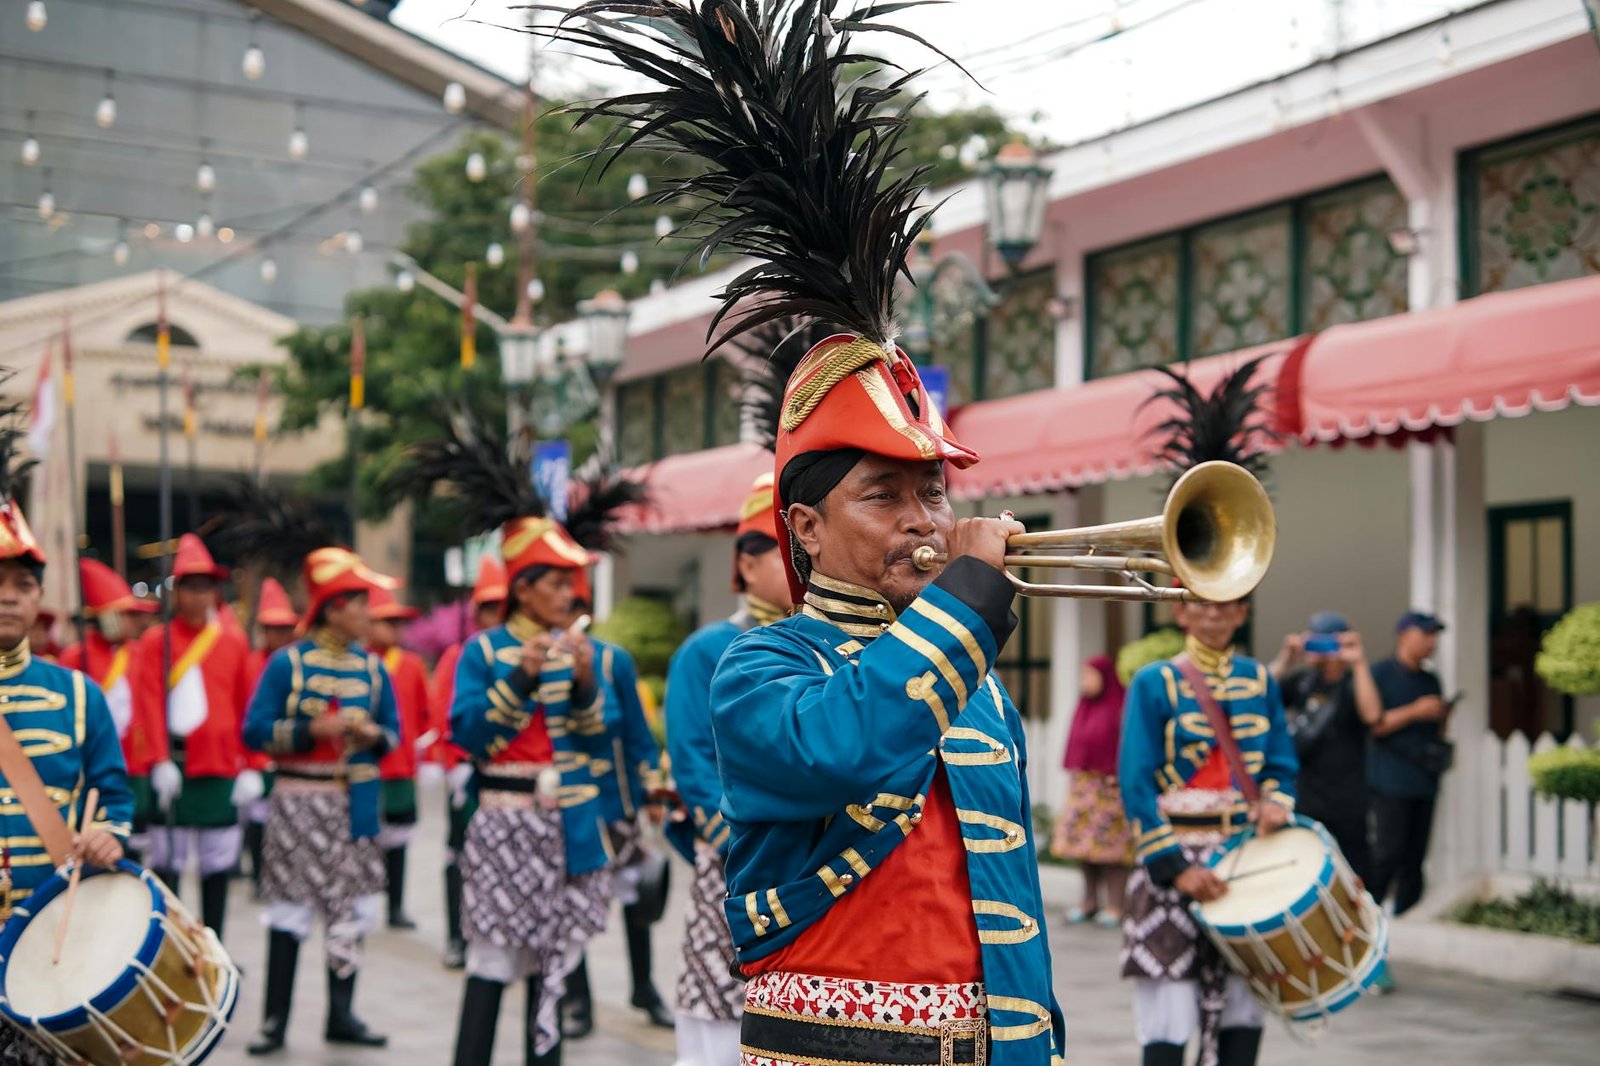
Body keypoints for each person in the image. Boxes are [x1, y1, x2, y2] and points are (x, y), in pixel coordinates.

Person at [1120, 596, 1298, 1066]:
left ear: (1242, 614)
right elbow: (1135, 782)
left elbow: (1281, 763)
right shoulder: (1154, 682)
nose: (1215, 615)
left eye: (1230, 606)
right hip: (1172, 856)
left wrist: (1277, 802)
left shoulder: (1259, 680)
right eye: (1202, 604)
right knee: (1169, 1003)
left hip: (1243, 857)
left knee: (1245, 998)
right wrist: (1175, 869)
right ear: (1181, 613)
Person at [0, 459, 134, 1066]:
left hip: (46, 922)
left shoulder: (81, 695)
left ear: (39, 597)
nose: (8, 596)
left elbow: (114, 792)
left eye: (22, 585)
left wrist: (107, 832)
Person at [241, 546, 401, 1055]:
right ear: (333, 606)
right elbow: (254, 731)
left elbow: (395, 736)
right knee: (289, 914)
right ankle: (275, 1020)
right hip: (297, 802)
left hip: (354, 803)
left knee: (349, 913)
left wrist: (372, 734)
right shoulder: (287, 663)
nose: (367, 613)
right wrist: (313, 730)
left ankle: (342, 1014)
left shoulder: (374, 671)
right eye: (358, 603)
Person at [664, 472, 790, 1066]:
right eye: (782, 547)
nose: (800, 559)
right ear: (745, 562)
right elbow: (691, 761)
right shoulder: (708, 648)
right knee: (721, 995)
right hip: (737, 854)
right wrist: (737, 842)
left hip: (808, 856)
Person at [560, 561, 673, 1035]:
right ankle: (578, 1000)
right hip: (570, 807)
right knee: (572, 906)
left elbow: (637, 732)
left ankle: (643, 987)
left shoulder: (614, 661)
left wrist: (651, 790)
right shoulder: (535, 660)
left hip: (618, 800)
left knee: (636, 900)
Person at [133, 533, 258, 942]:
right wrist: (157, 759)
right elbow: (147, 703)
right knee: (168, 864)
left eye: (206, 586)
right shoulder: (156, 642)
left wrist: (252, 765)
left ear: (215, 591)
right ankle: (170, 948)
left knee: (217, 864)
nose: (198, 595)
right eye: (189, 586)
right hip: (176, 764)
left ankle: (213, 946)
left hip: (220, 764)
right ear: (177, 591)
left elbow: (247, 705)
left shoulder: (234, 641)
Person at [429, 556, 507, 970]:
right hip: (467, 773)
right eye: (489, 607)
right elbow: (446, 715)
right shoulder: (461, 656)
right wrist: (454, 764)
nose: (496, 615)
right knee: (457, 855)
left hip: (508, 780)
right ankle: (456, 936)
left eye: (502, 606)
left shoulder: (516, 652)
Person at [58, 558, 162, 862]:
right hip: (90, 763)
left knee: (136, 835)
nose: (133, 623)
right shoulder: (75, 657)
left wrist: (159, 757)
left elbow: (150, 707)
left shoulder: (140, 653)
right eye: (126, 615)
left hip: (135, 759)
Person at [1269, 611, 1382, 880]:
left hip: (1348, 802)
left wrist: (1359, 662)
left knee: (1354, 876)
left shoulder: (1355, 684)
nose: (1323, 652)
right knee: (1305, 873)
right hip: (1306, 798)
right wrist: (1286, 658)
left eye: (1329, 644)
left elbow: (1373, 715)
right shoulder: (1302, 682)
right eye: (1316, 643)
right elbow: (1258, 693)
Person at [1367, 610, 1452, 918]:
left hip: (1424, 777)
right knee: (1387, 853)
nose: (1432, 642)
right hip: (1390, 779)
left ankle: (1409, 918)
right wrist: (1415, 711)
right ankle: (1369, 913)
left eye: (1435, 636)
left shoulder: (1431, 679)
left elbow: (1436, 730)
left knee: (1415, 858)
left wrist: (1441, 717)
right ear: (1404, 635)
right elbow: (1374, 724)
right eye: (1426, 634)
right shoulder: (1380, 674)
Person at [364, 584, 429, 930]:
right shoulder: (359, 662)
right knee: (366, 838)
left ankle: (396, 905)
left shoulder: (412, 664)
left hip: (401, 766)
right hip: (368, 768)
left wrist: (425, 754)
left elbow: (424, 713)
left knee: (399, 841)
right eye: (385, 622)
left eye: (396, 623)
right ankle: (366, 899)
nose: (393, 630)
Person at [1051, 655, 1134, 926]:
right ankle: (1088, 902)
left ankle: (1116, 906)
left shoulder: (1119, 707)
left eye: (1089, 675)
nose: (1084, 681)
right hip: (1084, 788)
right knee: (1084, 849)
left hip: (1110, 788)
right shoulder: (1085, 706)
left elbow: (1126, 746)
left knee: (1112, 850)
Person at [241, 577, 299, 897]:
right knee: (257, 820)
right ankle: (257, 875)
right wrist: (250, 762)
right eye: (274, 628)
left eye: (285, 628)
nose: (281, 635)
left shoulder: (295, 666)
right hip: (259, 755)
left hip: (286, 753)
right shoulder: (253, 664)